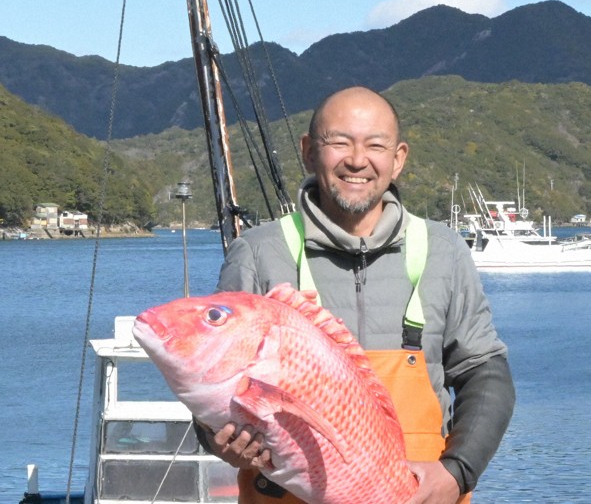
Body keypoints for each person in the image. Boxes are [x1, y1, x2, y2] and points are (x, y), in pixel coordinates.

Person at [208, 86, 515, 503]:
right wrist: (217, 438)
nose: (357, 160)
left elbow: (485, 373)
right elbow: (215, 384)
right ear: (308, 151)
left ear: (398, 158)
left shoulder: (443, 251)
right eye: (339, 142)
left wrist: (458, 472)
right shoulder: (259, 253)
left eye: (375, 145)